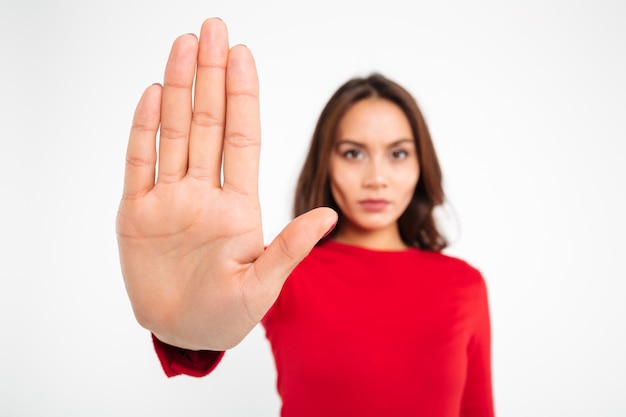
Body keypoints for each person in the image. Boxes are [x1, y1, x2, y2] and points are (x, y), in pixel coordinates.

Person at [117, 17, 494, 417]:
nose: (377, 178)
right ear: (325, 164)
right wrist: (182, 332)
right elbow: (208, 311)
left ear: (422, 165)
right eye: (353, 153)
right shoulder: (281, 270)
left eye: (398, 153)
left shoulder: (463, 286)